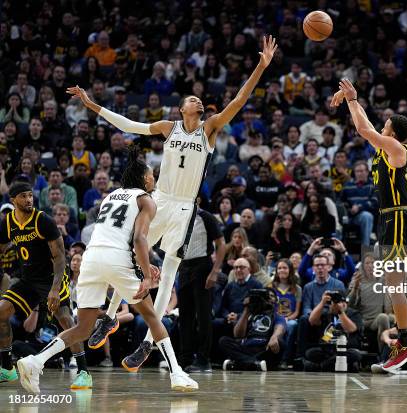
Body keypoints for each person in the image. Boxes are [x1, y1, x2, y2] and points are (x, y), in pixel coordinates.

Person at [76, 35, 278, 372]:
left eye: (200, 99)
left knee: (169, 268)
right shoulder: (168, 127)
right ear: (182, 108)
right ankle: (109, 317)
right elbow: (130, 125)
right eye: (191, 98)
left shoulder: (209, 129)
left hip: (185, 207)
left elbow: (241, 99)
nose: (197, 100)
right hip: (160, 200)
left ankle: (146, 344)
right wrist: (93, 105)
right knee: (127, 254)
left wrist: (261, 66)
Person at [15, 147, 198, 393]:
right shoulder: (146, 200)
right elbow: (139, 240)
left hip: (91, 258)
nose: (154, 178)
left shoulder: (111, 196)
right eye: (151, 175)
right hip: (116, 258)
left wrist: (141, 264)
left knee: (83, 328)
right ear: (144, 179)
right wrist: (144, 274)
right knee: (153, 316)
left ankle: (34, 361)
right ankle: (177, 374)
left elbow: (117, 234)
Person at [331, 79, 407, 372]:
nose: (380, 127)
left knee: (395, 284)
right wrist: (351, 99)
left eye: (384, 125)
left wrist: (352, 99)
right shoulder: (384, 147)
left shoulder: (397, 149)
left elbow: (362, 128)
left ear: (393, 133)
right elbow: (366, 125)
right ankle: (405, 341)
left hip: (397, 217)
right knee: (392, 284)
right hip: (388, 218)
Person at [0, 182, 91, 390]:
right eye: (23, 196)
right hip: (28, 279)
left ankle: (84, 371)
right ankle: (6, 368)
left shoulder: (43, 220)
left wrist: (55, 289)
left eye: (30, 196)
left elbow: (60, 258)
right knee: (1, 313)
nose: (29, 200)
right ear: (12, 200)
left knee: (66, 320)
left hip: (52, 277)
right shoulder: (7, 223)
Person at [178, 207, 226, 373]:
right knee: (184, 316)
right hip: (184, 267)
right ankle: (185, 358)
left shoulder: (206, 216)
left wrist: (215, 271)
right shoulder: (178, 215)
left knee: (203, 315)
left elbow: (221, 244)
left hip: (203, 266)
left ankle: (204, 360)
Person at [220, 288, 286, 371]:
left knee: (280, 342)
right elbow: (238, 335)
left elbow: (280, 327)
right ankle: (254, 363)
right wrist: (247, 308)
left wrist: (274, 337)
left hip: (263, 349)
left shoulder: (276, 315)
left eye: (272, 296)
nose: (269, 298)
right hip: (247, 348)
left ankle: (240, 363)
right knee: (223, 341)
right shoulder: (248, 314)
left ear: (276, 300)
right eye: (266, 296)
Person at [340, 161, 377, 246]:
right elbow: (342, 202)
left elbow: (375, 202)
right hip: (349, 215)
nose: (359, 173)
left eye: (362, 171)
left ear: (367, 172)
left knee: (366, 216)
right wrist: (349, 209)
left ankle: (366, 249)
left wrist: (359, 207)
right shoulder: (348, 185)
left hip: (365, 216)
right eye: (357, 171)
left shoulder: (373, 185)